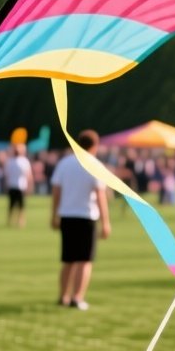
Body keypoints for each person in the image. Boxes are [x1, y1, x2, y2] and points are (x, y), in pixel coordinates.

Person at [50, 130, 110, 309]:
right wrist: (106, 222)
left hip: (67, 216)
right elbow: (100, 195)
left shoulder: (65, 163)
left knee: (68, 260)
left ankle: (63, 296)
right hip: (86, 216)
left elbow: (56, 191)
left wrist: (54, 215)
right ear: (95, 146)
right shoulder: (94, 164)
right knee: (84, 261)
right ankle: (77, 297)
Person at [4, 145, 32, 229]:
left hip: (17, 185)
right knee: (17, 205)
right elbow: (28, 174)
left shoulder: (11, 161)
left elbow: (6, 175)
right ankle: (17, 221)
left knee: (16, 205)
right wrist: (30, 185)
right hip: (18, 185)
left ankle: (16, 220)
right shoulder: (22, 161)